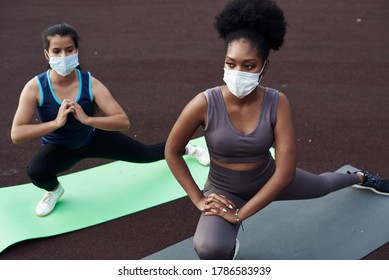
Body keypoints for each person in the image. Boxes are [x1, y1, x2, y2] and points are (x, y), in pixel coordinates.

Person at [164, 0, 389, 260]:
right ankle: (228, 246)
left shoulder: (277, 102)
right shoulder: (203, 103)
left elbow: (285, 173)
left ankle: (359, 177)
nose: (237, 72)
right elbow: (172, 150)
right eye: (230, 63)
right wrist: (199, 199)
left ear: (264, 66)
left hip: (271, 179)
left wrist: (239, 214)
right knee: (209, 249)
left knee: (323, 184)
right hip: (224, 191)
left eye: (248, 65)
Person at [10, 22, 210, 217]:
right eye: (56, 51)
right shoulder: (35, 87)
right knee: (36, 172)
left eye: (69, 50)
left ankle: (187, 149)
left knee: (146, 154)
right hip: (59, 147)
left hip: (93, 139)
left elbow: (123, 121)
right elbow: (17, 134)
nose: (64, 56)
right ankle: (54, 191)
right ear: (47, 54)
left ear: (77, 51)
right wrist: (56, 123)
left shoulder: (90, 83)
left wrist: (87, 120)